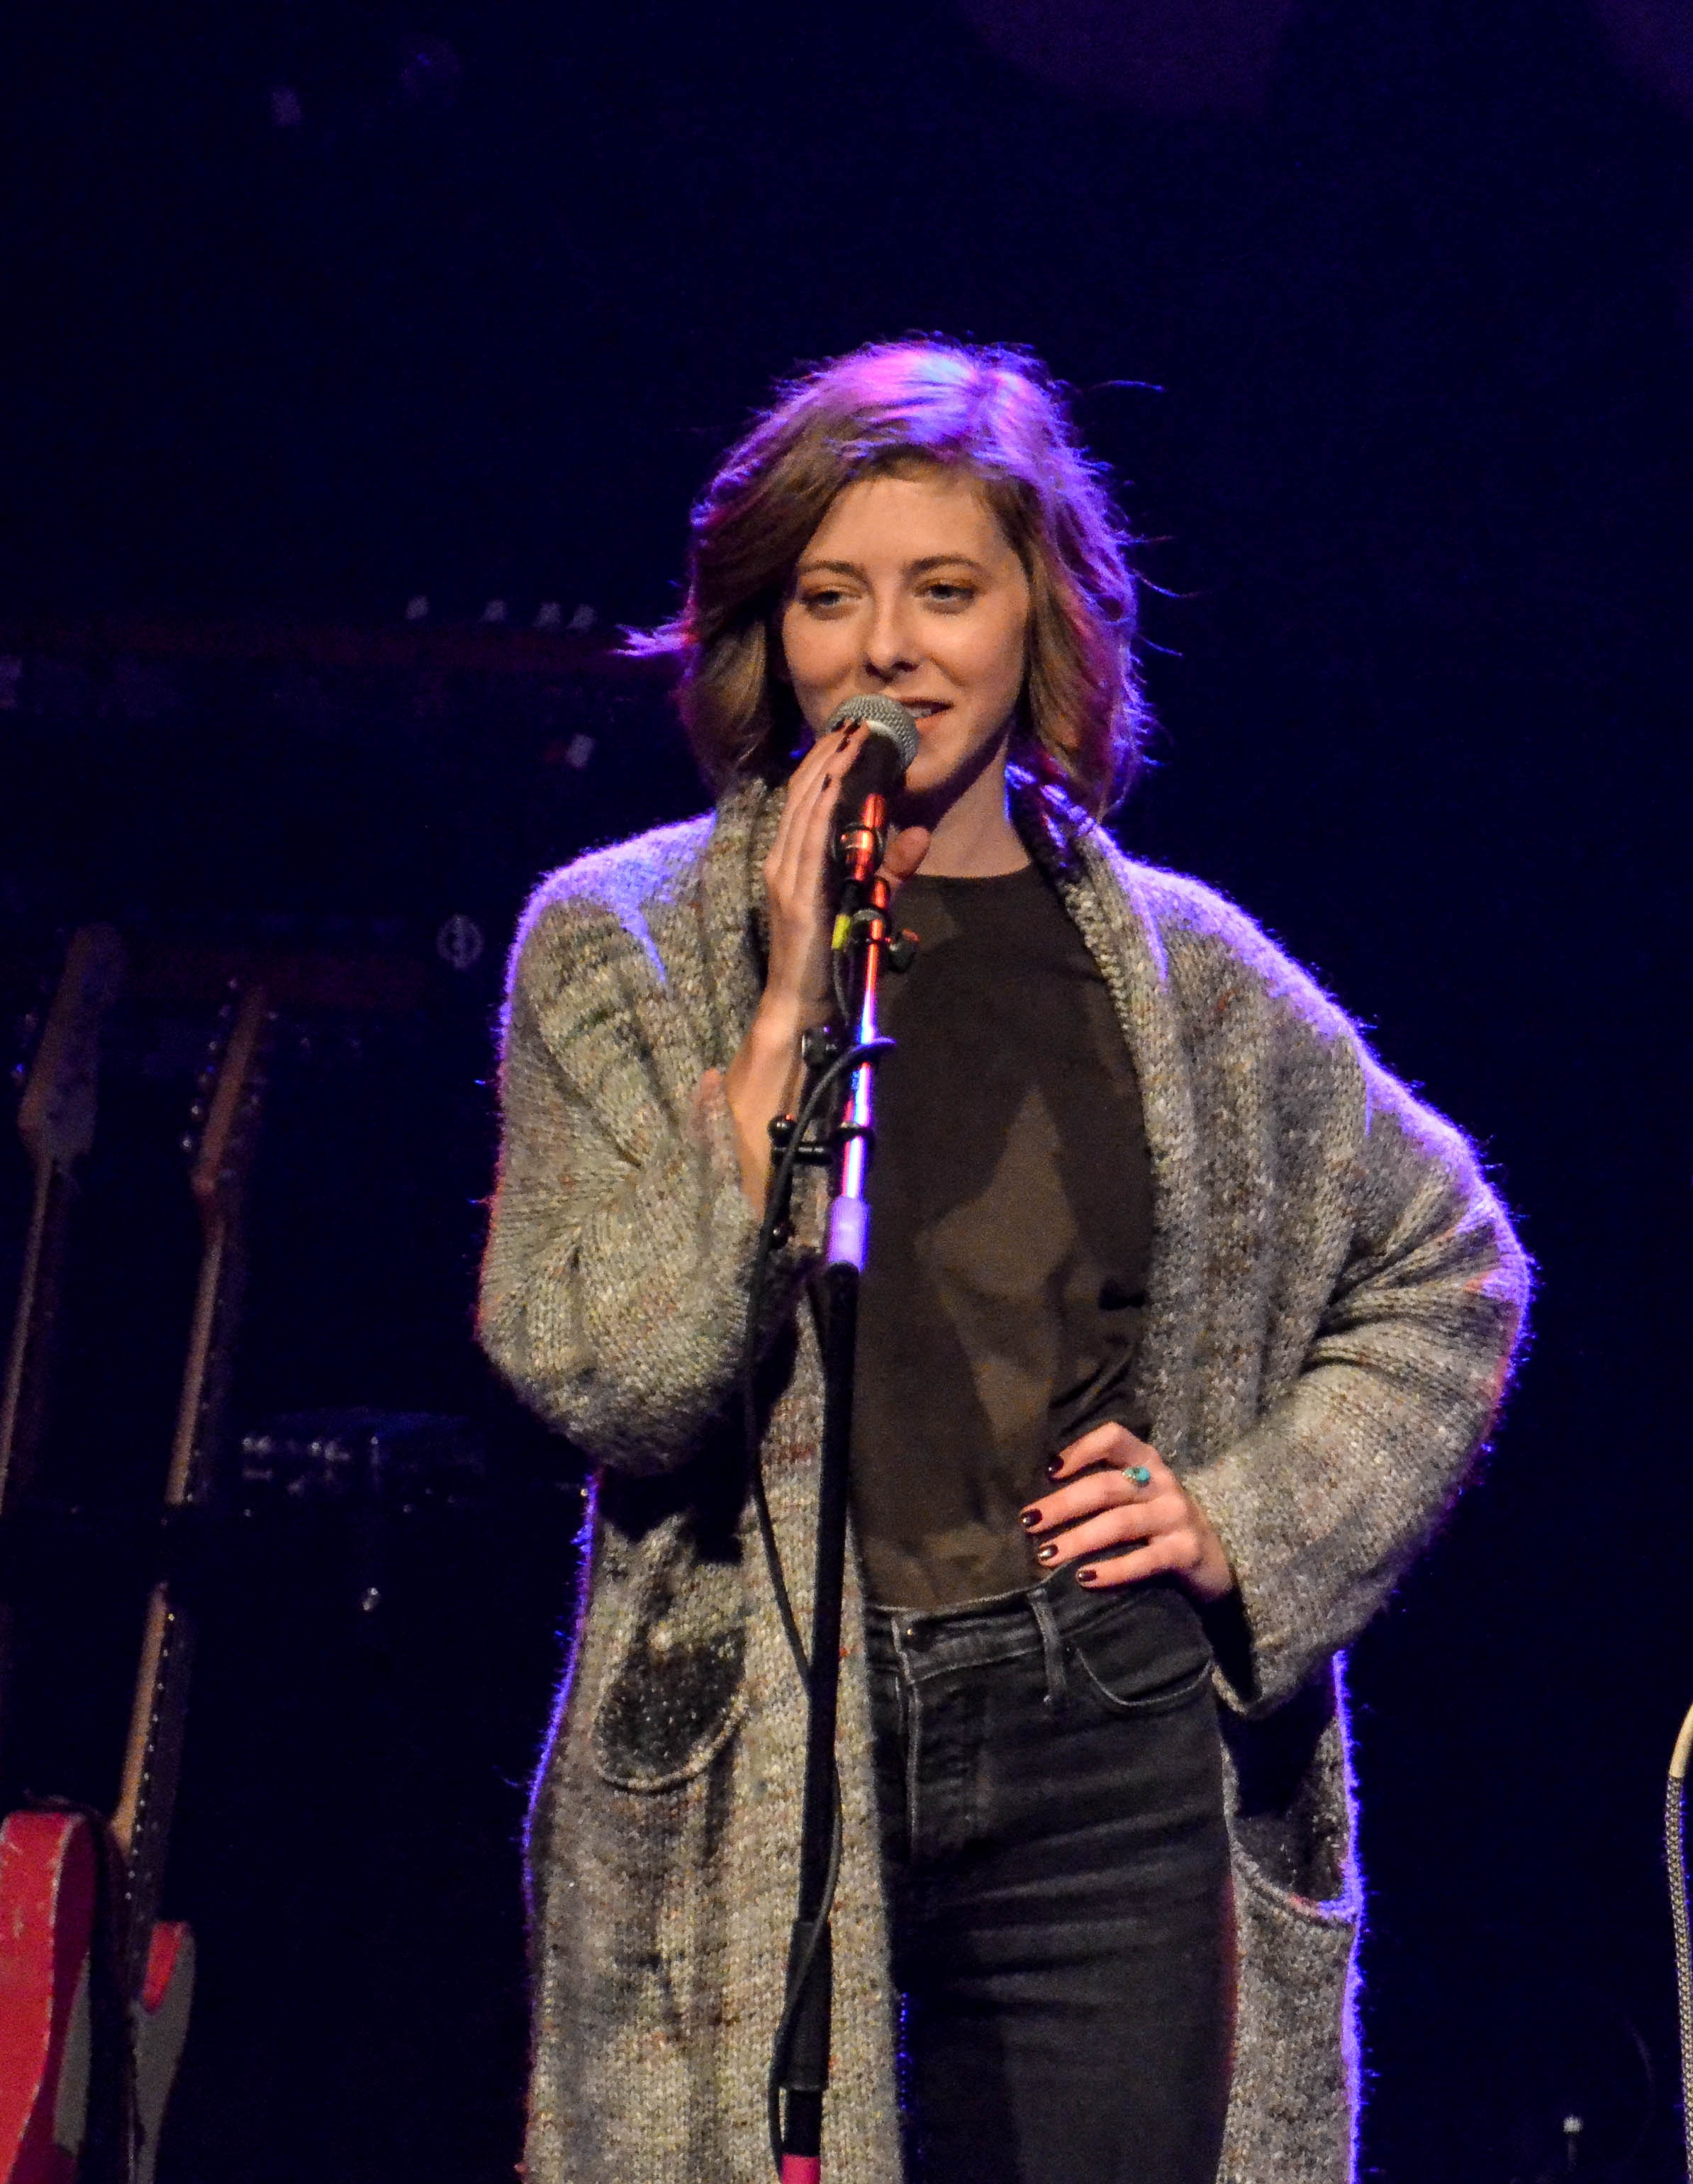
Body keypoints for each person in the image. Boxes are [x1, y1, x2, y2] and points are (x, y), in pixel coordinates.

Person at [479, 341, 1529, 2184]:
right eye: (831, 596)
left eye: (943, 591)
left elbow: (1450, 1264)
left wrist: (1249, 1517)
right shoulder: (623, 943)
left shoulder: (1188, 972)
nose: (887, 650)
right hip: (767, 1751)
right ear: (767, 628)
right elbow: (623, 1373)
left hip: (1102, 1742)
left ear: (1034, 612)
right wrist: (790, 997)